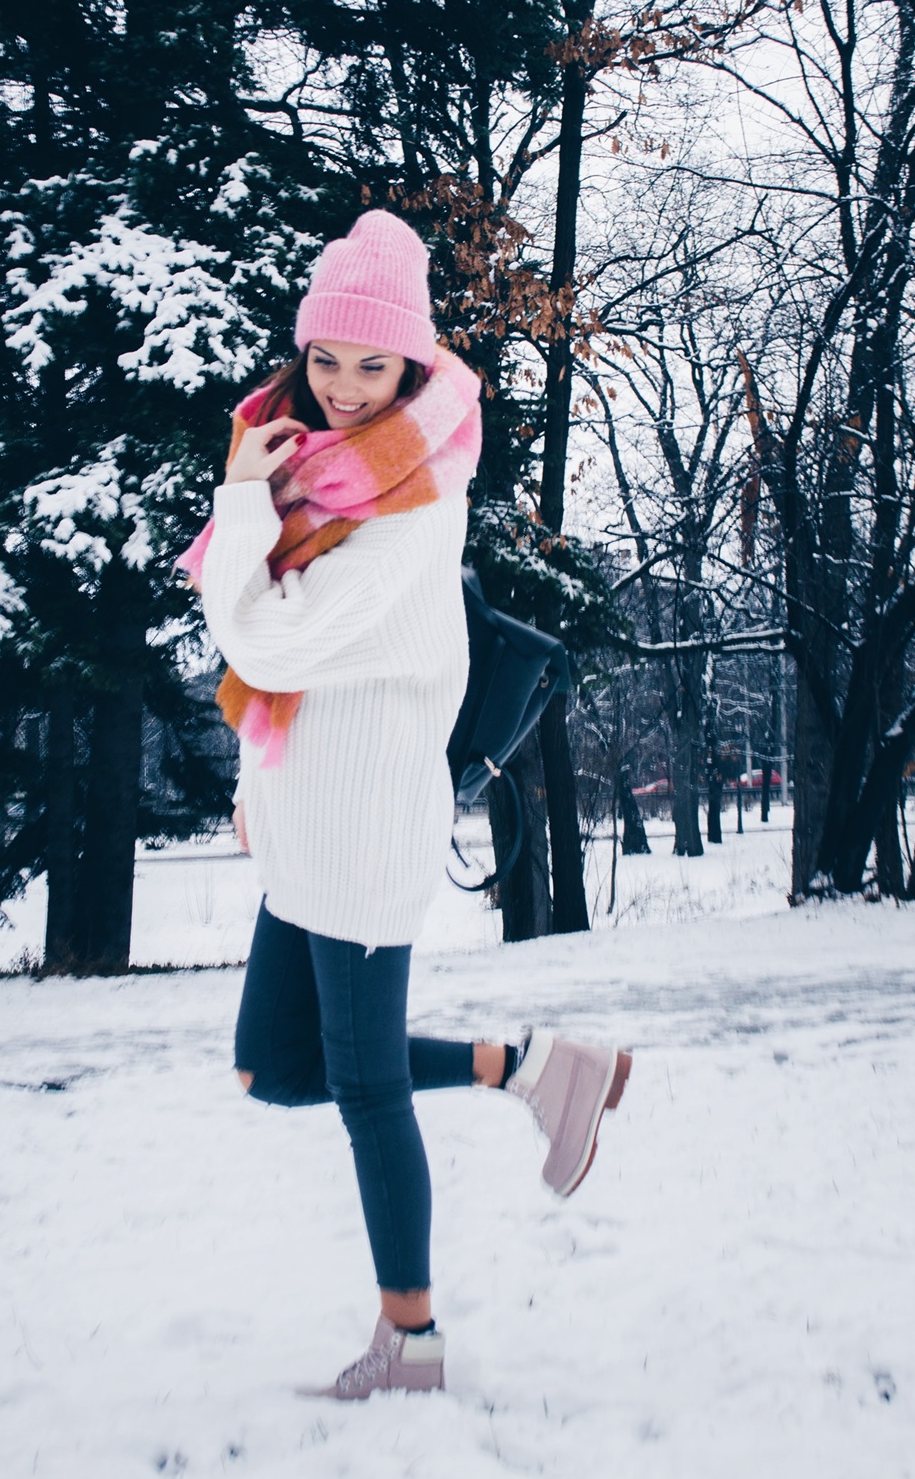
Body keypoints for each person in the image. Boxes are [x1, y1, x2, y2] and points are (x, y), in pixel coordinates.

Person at [181, 209, 632, 1401]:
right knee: (274, 1066)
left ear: (413, 367)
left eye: (370, 365)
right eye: (324, 358)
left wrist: (238, 504)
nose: (340, 387)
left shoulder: (413, 510)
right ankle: (529, 1068)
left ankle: (412, 1345)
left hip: (367, 829)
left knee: (366, 1087)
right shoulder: (328, 482)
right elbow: (281, 670)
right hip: (304, 825)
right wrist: (254, 784)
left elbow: (267, 643)